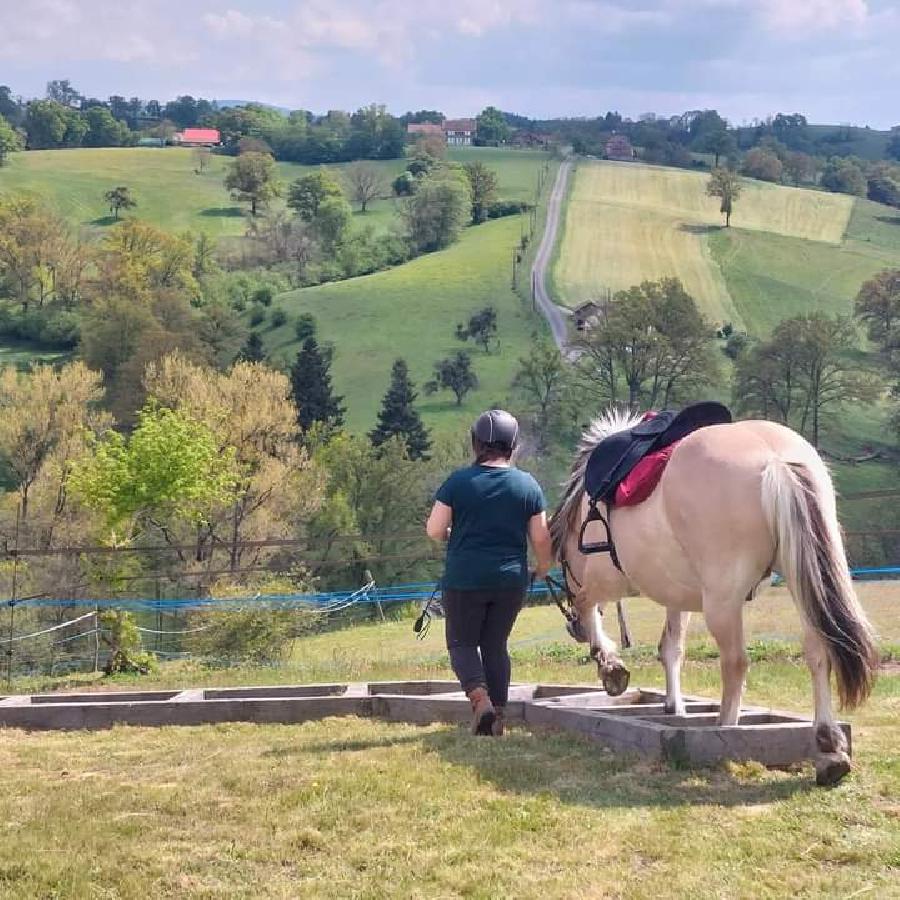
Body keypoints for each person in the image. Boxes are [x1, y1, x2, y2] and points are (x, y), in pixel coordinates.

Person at [425, 409, 553, 736]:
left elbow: (434, 529)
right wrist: (543, 566)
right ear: (512, 445)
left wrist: (453, 533)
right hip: (511, 579)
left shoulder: (458, 482)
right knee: (495, 645)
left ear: (476, 444)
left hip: (464, 578)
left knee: (462, 644)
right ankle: (497, 716)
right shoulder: (527, 485)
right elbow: (540, 536)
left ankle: (479, 699)